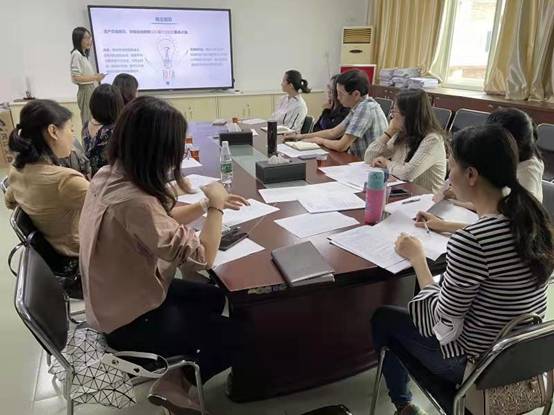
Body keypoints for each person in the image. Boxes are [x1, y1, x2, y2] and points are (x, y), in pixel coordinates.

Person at [79, 96, 249, 414]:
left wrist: (203, 205)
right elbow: (203, 257)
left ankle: (181, 371)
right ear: (158, 151)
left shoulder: (108, 175)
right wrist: (215, 207)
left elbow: (159, 222)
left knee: (213, 297)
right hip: (128, 320)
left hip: (114, 299)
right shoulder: (136, 201)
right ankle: (175, 384)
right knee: (240, 335)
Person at [371, 124, 553, 415]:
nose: (448, 173)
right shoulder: (533, 222)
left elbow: (441, 324)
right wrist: (445, 226)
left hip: (475, 366)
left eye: (452, 165)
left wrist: (418, 259)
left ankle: (405, 405)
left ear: (471, 175)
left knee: (383, 318)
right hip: (519, 358)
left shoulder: (472, 241)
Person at [4, 100, 89, 298]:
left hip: (53, 257)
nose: (72, 136)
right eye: (70, 129)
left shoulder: (16, 169)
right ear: (53, 131)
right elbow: (112, 209)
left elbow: (10, 202)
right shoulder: (65, 180)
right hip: (79, 260)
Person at [286, 70, 388, 158]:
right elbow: (333, 132)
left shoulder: (365, 108)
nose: (338, 98)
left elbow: (341, 146)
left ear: (356, 94)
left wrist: (319, 140)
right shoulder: (358, 107)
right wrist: (300, 136)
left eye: (340, 94)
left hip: (368, 166)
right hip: (358, 162)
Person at [364, 89, 446, 194]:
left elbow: (408, 173)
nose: (392, 116)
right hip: (403, 192)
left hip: (426, 198)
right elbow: (369, 158)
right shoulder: (401, 133)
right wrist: (389, 131)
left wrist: (386, 163)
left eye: (395, 111)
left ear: (408, 115)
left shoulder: (433, 140)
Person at [82, 84, 124, 176]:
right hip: (109, 177)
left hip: (90, 175)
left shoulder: (86, 125)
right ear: (116, 105)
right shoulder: (114, 130)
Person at [70, 27, 105, 126]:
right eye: (86, 38)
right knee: (88, 120)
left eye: (90, 38)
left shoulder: (83, 55)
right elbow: (76, 77)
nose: (89, 41)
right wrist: (95, 78)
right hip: (85, 90)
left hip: (90, 88)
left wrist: (95, 77)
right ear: (78, 39)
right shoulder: (76, 54)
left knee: (92, 118)